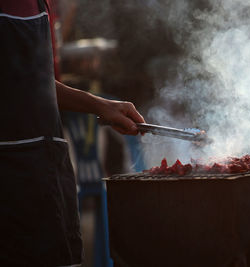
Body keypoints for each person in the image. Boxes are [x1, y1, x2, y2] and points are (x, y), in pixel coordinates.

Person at [0, 0, 145, 266]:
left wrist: (103, 106)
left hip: (48, 164)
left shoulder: (38, 4)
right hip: (12, 173)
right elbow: (17, 83)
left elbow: (37, 81)